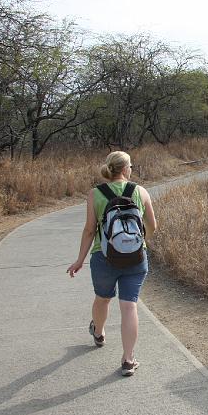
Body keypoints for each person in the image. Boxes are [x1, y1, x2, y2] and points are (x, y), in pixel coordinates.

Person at [67, 151, 157, 376]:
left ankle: (98, 333)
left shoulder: (95, 194)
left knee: (103, 299)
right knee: (129, 306)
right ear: (126, 169)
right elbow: (152, 225)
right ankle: (128, 360)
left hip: (103, 258)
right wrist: (138, 243)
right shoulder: (140, 191)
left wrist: (79, 260)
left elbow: (89, 230)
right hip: (136, 258)